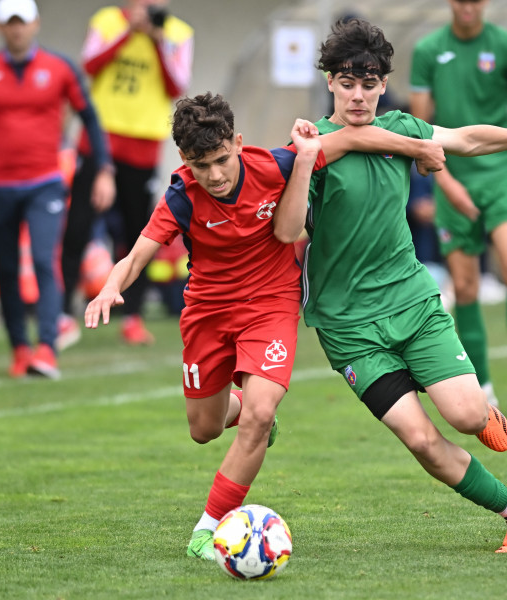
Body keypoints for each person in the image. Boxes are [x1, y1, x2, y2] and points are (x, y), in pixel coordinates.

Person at [84, 92, 449, 561]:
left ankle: (210, 526)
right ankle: (248, 410)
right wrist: (109, 287)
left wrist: (416, 147)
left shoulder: (275, 165)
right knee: (204, 429)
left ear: (238, 142)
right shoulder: (180, 196)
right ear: (183, 160)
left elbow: (349, 138)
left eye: (221, 160)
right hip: (208, 314)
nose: (214, 175)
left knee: (257, 414)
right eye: (201, 165)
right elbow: (136, 256)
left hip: (270, 306)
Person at [277, 18, 507, 553]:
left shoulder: (402, 128)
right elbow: (287, 229)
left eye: (369, 83)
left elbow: (468, 137)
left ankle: (481, 407)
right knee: (420, 439)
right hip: (348, 325)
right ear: (329, 81)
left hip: (412, 303)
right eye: (346, 83)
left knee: (466, 416)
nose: (358, 95)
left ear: (383, 84)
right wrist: (308, 161)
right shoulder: (311, 144)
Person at [0, 0, 115, 378]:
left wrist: (103, 170)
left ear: (36, 23)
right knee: (7, 270)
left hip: (45, 184)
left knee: (44, 260)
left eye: (22, 22)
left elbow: (90, 117)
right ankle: (20, 350)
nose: (17, 29)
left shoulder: (59, 69)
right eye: (9, 23)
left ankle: (47, 348)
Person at [409, 0, 507, 419]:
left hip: (503, 176)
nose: (468, 6)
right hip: (452, 175)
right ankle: (485, 388)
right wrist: (446, 183)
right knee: (467, 288)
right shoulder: (427, 50)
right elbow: (422, 131)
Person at [58, 0, 194, 350]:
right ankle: (60, 314)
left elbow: (175, 84)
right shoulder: (107, 20)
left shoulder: (177, 33)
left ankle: (132, 316)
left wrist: (156, 38)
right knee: (77, 227)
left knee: (140, 233)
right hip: (98, 141)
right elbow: (90, 64)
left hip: (143, 146)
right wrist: (127, 32)